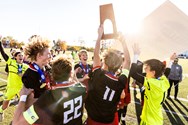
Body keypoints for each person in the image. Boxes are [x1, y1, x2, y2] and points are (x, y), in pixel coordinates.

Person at [12, 57, 86, 125]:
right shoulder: (80, 89)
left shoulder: (48, 97)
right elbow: (76, 83)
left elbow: (17, 123)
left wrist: (23, 96)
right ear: (71, 73)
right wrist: (73, 74)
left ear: (52, 75)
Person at [85, 25, 131, 125]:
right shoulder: (121, 81)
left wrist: (99, 36)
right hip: (109, 121)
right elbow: (128, 62)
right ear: (120, 66)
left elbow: (96, 54)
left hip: (93, 120)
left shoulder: (98, 75)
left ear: (104, 62)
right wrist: (123, 42)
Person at [129, 47, 177, 125]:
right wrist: (171, 60)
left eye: (146, 69)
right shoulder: (163, 81)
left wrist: (136, 55)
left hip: (149, 121)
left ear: (153, 72)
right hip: (156, 120)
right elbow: (166, 72)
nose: (145, 71)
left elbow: (133, 73)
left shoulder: (151, 83)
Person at [0, 40, 28, 122]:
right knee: (5, 105)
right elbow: (3, 53)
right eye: (19, 55)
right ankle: (1, 111)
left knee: (25, 106)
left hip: (21, 89)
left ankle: (23, 120)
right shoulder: (10, 62)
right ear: (15, 57)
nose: (21, 57)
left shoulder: (25, 66)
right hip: (11, 88)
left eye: (22, 56)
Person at [22, 35, 51, 101]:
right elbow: (30, 101)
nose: (50, 56)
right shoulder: (29, 75)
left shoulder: (47, 68)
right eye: (48, 54)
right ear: (39, 56)